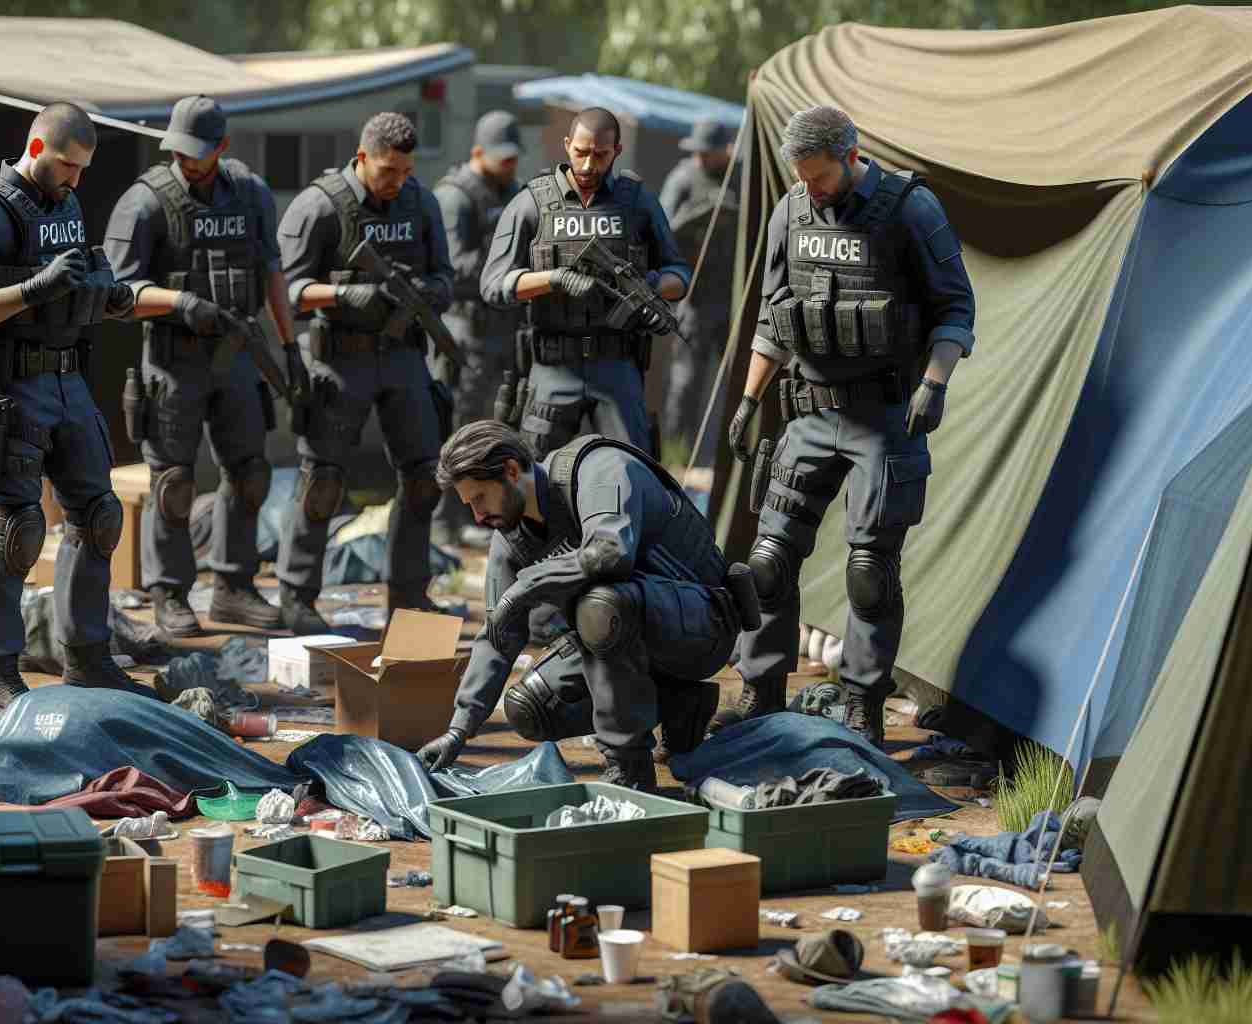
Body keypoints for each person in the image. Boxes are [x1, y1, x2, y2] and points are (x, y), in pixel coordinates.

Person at [720, 105, 976, 745]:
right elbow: (777, 318)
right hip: (809, 413)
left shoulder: (910, 209)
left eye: (821, 175)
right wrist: (750, 400)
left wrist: (934, 382)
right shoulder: (790, 212)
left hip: (883, 418)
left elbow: (955, 306)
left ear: (851, 153)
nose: (811, 188)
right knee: (769, 562)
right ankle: (761, 691)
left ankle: (864, 702)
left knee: (869, 569)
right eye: (801, 177)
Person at [0, 101, 152, 724]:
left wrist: (101, 293)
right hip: (10, 384)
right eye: (67, 165)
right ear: (35, 147)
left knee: (99, 516)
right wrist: (34, 289)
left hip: (68, 381)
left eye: (84, 169)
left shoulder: (66, 206)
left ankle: (87, 653)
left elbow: (69, 286)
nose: (76, 179)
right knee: (17, 528)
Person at [414, 421, 758, 789]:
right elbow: (499, 634)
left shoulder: (599, 468)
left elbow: (611, 552)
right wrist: (458, 730)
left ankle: (629, 767)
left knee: (599, 606)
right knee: (532, 708)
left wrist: (527, 586)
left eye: (479, 499)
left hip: (704, 624)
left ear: (511, 471)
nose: (478, 517)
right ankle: (679, 702)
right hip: (633, 635)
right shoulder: (511, 535)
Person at [103, 95, 291, 637]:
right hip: (173, 361)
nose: (186, 161)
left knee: (250, 473)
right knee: (174, 483)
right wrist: (180, 303)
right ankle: (170, 594)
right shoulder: (145, 202)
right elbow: (117, 294)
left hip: (236, 360)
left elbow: (271, 270)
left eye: (197, 152)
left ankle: (234, 587)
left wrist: (289, 347)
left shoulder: (251, 194)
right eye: (178, 151)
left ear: (222, 148)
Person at [273, 111, 455, 632]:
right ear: (361, 158)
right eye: (385, 171)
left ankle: (408, 596)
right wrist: (344, 294)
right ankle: (297, 596)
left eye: (403, 171)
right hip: (339, 358)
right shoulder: (320, 206)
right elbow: (287, 292)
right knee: (322, 481)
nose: (395, 182)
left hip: (402, 355)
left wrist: (426, 296)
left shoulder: (421, 202)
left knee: (423, 479)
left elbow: (444, 274)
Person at [481, 107, 690, 461]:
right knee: (534, 478)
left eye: (600, 154)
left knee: (634, 471)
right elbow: (494, 285)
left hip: (617, 366)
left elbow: (680, 276)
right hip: (552, 369)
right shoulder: (532, 203)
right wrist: (553, 279)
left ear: (617, 151)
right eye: (580, 152)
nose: (589, 164)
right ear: (566, 145)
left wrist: (651, 285)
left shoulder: (637, 202)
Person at [430, 110, 524, 551]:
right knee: (457, 434)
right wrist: (503, 256)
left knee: (495, 434)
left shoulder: (513, 193)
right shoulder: (457, 196)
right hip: (465, 336)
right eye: (500, 158)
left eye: (513, 158)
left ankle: (486, 515)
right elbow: (452, 269)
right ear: (477, 153)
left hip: (504, 336)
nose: (509, 165)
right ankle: (443, 524)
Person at [659, 119, 741, 464]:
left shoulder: (741, 177)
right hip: (693, 300)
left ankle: (729, 456)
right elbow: (660, 229)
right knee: (685, 383)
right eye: (698, 153)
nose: (702, 160)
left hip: (732, 298)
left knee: (735, 383)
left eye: (708, 153)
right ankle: (676, 456)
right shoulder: (682, 178)